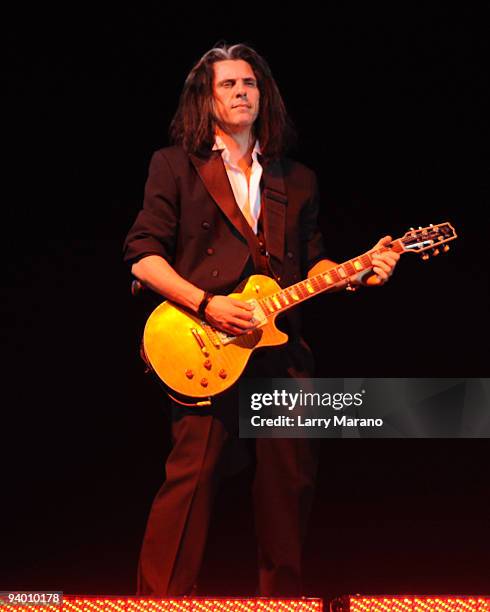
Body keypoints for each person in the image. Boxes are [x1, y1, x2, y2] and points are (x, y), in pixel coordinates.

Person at [123, 43, 399, 597]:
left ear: (263, 94)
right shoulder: (175, 165)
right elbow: (142, 256)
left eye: (248, 82)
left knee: (288, 489)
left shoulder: (296, 179)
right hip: (207, 343)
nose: (240, 91)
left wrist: (359, 270)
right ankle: (158, 607)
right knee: (191, 481)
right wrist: (205, 303)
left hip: (280, 352)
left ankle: (284, 606)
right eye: (227, 84)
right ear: (206, 97)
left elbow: (313, 260)